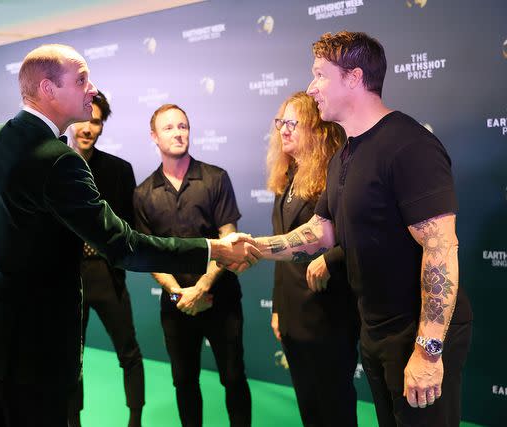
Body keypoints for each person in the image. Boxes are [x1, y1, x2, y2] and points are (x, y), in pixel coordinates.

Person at [0, 44, 259, 427]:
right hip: (29, 356)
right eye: (81, 79)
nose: (92, 88)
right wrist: (212, 248)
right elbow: (123, 245)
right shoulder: (59, 159)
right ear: (47, 89)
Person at [253, 31, 473, 427]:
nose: (311, 87)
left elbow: (440, 250)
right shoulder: (343, 156)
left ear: (353, 78)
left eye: (319, 75)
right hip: (374, 330)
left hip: (418, 333)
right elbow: (319, 233)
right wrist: (251, 247)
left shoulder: (409, 145)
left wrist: (427, 351)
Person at [133, 104, 251, 427]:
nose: (178, 132)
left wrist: (201, 288)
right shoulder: (143, 193)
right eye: (169, 128)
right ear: (154, 137)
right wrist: (178, 293)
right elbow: (148, 254)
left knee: (234, 377)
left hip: (221, 297)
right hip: (176, 304)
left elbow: (230, 238)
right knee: (184, 382)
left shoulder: (215, 178)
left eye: (183, 125)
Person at [266, 91, 359, 426]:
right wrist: (278, 307)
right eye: (281, 123)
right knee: (309, 405)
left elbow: (358, 237)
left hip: (328, 315)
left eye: (294, 123)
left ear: (318, 130)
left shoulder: (337, 179)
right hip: (292, 315)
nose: (284, 130)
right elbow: (282, 250)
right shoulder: (285, 180)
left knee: (335, 407)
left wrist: (331, 258)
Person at [65, 91, 145, 427]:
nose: (88, 127)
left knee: (129, 352)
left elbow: (129, 227)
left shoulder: (118, 170)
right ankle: (72, 422)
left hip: (107, 274)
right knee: (72, 359)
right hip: (67, 278)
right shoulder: (51, 167)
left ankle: (136, 419)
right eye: (82, 119)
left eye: (95, 121)